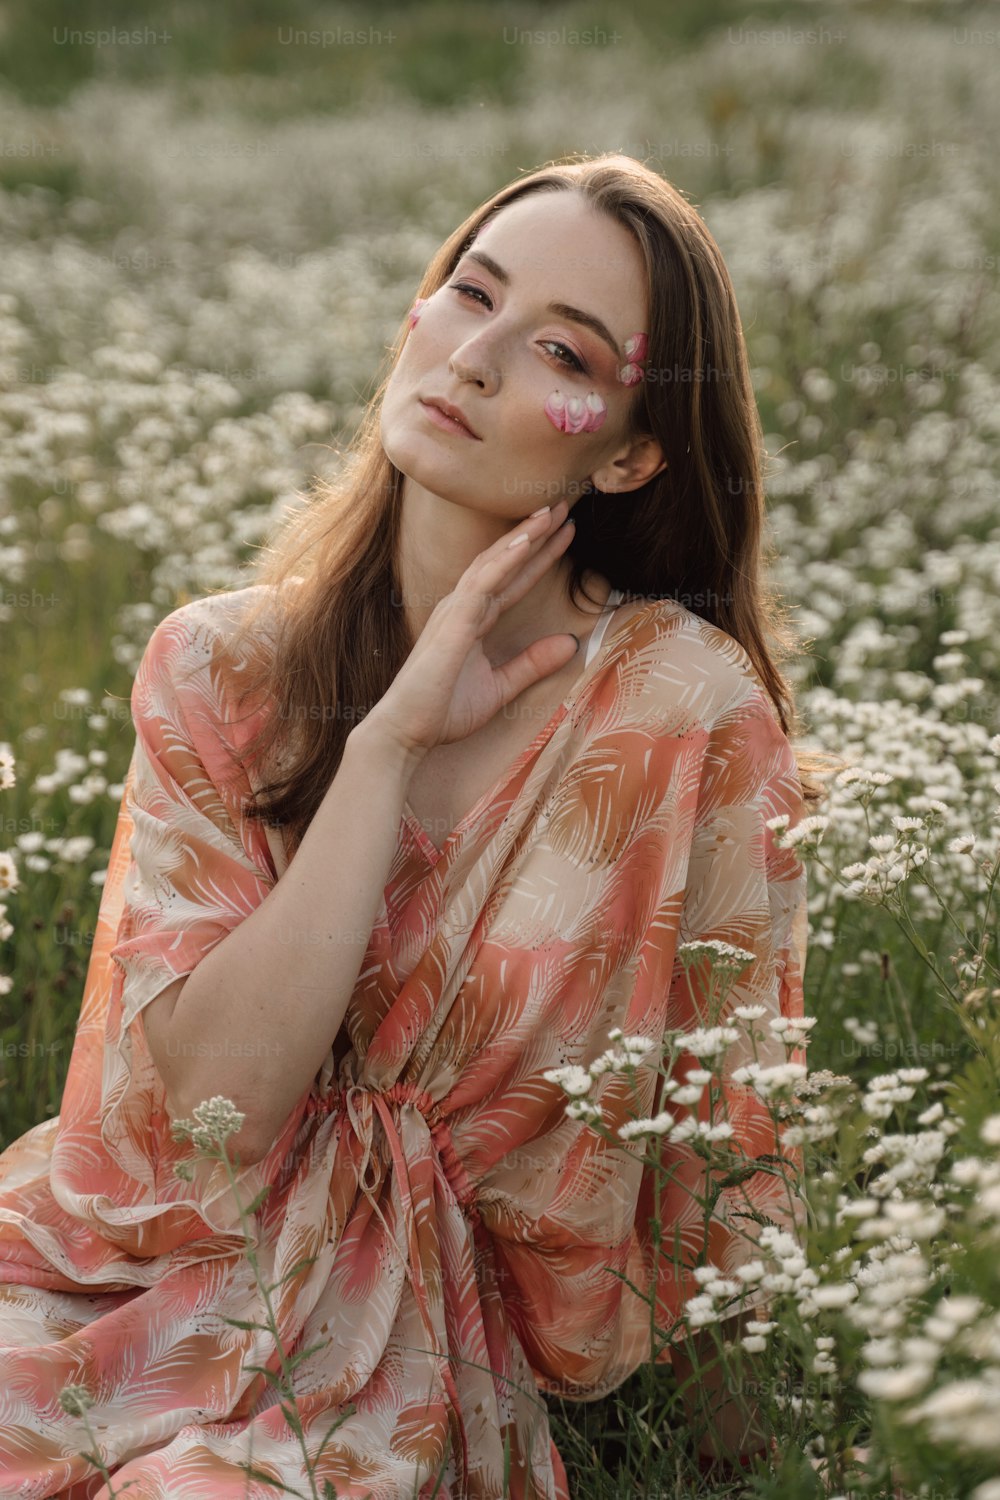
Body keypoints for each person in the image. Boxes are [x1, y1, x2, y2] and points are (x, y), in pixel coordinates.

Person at [0, 153, 831, 1499]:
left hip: (422, 1359)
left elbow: (726, 1144)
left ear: (629, 447)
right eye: (469, 295)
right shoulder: (218, 671)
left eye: (558, 345)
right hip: (136, 1287)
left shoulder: (681, 715)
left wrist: (760, 1458)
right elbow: (209, 1113)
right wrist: (385, 751)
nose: (478, 357)